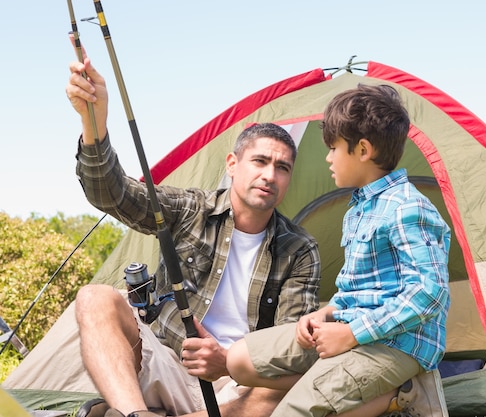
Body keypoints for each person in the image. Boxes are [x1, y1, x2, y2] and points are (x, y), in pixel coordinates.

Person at [65, 46, 321, 417]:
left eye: (282, 168)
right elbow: (112, 192)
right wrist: (95, 123)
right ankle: (136, 413)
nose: (270, 175)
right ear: (233, 164)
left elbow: (291, 347)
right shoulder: (189, 209)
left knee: (298, 380)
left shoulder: (299, 249)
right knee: (95, 297)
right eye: (260, 161)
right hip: (170, 364)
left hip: (241, 384)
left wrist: (229, 359)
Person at [226, 83, 451, 417]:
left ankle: (401, 391)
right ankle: (346, 388)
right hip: (351, 328)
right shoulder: (358, 209)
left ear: (362, 150)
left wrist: (351, 334)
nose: (328, 158)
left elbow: (428, 293)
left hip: (395, 345)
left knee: (289, 413)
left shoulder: (406, 207)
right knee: (238, 359)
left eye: (333, 149)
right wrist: (325, 314)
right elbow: (359, 289)